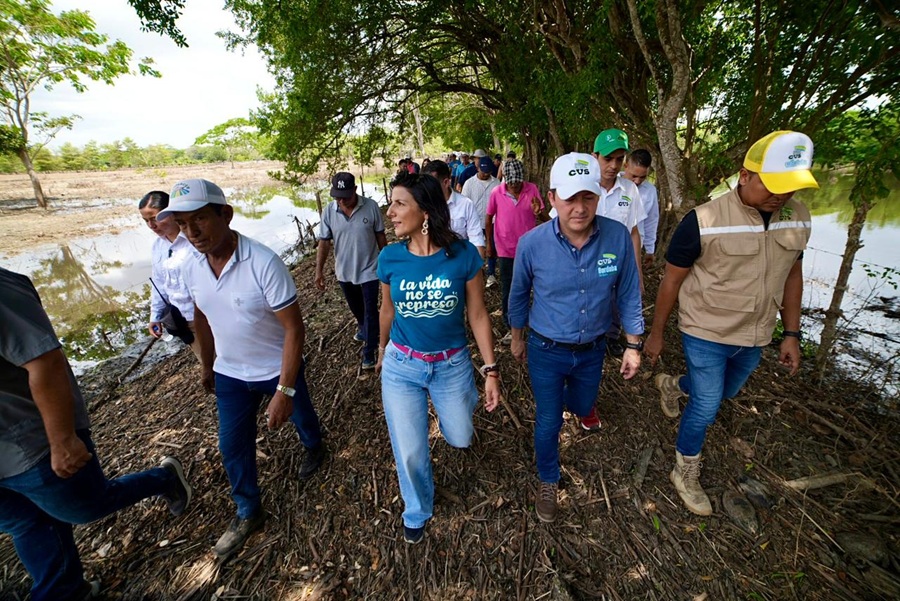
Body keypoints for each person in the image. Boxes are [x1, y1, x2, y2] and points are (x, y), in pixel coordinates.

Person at [645, 131, 818, 516]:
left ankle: (674, 385)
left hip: (756, 334)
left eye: (790, 187)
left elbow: (792, 275)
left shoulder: (799, 217)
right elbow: (671, 280)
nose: (781, 196)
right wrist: (656, 334)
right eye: (773, 186)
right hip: (704, 330)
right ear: (745, 175)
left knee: (726, 393)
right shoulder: (703, 220)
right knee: (706, 406)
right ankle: (684, 470)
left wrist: (791, 334)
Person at [0, 268, 192, 601]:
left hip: (26, 443)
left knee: (86, 506)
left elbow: (44, 361)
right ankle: (66, 590)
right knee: (24, 522)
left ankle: (164, 478)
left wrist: (62, 440)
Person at [159, 179, 325, 559]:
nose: (192, 231)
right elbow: (199, 313)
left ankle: (314, 446)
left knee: (302, 417)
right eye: (183, 224)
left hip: (275, 366)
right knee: (232, 445)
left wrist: (284, 390)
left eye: (200, 219)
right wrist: (208, 363)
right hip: (231, 373)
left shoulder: (263, 262)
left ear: (226, 214)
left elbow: (294, 328)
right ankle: (248, 510)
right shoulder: (192, 266)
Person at [508, 153, 643, 523]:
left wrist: (633, 344)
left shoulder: (615, 236)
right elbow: (518, 294)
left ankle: (578, 403)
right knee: (549, 418)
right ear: (552, 198)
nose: (579, 208)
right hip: (546, 349)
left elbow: (629, 291)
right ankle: (548, 479)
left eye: (587, 197)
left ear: (598, 195)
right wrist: (516, 337)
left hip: (593, 349)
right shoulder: (532, 244)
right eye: (570, 199)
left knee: (584, 404)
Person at [376, 172, 500, 544]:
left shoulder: (462, 255)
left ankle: (455, 416)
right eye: (391, 202)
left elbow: (478, 314)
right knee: (410, 450)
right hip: (402, 366)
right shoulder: (390, 257)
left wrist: (491, 369)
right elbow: (386, 310)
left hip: (451, 364)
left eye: (400, 204)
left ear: (426, 211)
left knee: (460, 436)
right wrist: (381, 351)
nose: (390, 212)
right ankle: (417, 508)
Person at [315, 172, 387, 369]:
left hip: (369, 269)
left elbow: (380, 236)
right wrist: (318, 270)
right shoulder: (330, 211)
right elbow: (324, 242)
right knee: (357, 309)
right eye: (337, 196)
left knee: (371, 310)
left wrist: (387, 260)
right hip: (344, 271)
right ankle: (365, 329)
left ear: (355, 190)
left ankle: (369, 351)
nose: (341, 201)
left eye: (345, 196)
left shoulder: (370, 207)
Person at [485, 158, 544, 344]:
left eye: (518, 182)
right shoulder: (496, 192)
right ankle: (510, 323)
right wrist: (489, 245)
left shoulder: (532, 189)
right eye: (511, 183)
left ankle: (531, 320)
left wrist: (538, 211)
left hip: (530, 248)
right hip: (505, 248)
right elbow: (488, 219)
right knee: (508, 287)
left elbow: (543, 214)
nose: (515, 186)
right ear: (506, 180)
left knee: (534, 284)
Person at [139, 190, 202, 359]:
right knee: (208, 365)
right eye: (146, 221)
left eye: (155, 218)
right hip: (184, 320)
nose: (152, 225)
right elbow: (159, 283)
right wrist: (155, 315)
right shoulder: (158, 246)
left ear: (172, 213)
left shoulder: (196, 240)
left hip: (209, 317)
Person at [421, 159, 485, 255]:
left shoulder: (465, 205)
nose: (427, 190)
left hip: (459, 262)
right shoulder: (422, 206)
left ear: (446, 182)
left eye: (431, 186)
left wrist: (476, 266)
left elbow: (476, 240)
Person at [462, 156, 501, 287]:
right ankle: (476, 273)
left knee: (492, 247)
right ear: (477, 168)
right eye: (483, 171)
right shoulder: (469, 183)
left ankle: (491, 273)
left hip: (493, 221)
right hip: (474, 222)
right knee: (474, 248)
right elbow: (464, 203)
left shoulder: (496, 184)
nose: (485, 174)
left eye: (488, 172)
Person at [623, 149, 660, 268]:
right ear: (626, 166)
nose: (637, 181)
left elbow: (651, 221)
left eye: (642, 177)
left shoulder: (650, 191)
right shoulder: (612, 184)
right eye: (634, 176)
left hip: (635, 248)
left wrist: (650, 249)